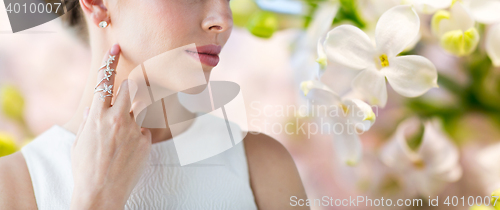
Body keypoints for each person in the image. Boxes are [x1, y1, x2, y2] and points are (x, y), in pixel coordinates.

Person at [0, 0, 308, 209]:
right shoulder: (13, 186)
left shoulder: (262, 164)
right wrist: (98, 198)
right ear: (98, 3)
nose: (223, 21)